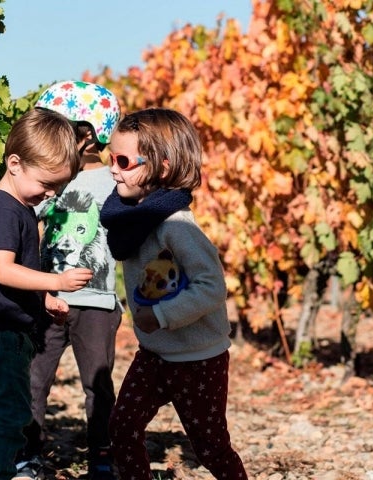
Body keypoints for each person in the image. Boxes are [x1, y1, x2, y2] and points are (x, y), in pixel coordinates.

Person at [100, 107, 248, 479]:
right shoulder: (131, 219)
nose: (113, 168)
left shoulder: (177, 228)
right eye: (110, 158)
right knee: (122, 428)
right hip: (155, 354)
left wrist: (162, 316)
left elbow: (212, 287)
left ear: (162, 169)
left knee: (211, 447)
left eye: (123, 160)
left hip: (199, 358)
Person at [0, 108, 93, 480]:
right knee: (11, 415)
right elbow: (3, 270)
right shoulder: (5, 211)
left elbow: (5, 278)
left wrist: (44, 301)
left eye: (59, 189)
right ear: (14, 163)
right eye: (47, 184)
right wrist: (56, 283)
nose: (51, 194)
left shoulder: (17, 208)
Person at [14, 81, 122, 480]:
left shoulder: (113, 181)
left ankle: (102, 458)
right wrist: (40, 287)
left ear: (88, 134)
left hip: (98, 302)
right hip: (49, 298)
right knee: (35, 379)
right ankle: (27, 455)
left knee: (98, 385)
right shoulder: (52, 175)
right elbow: (35, 230)